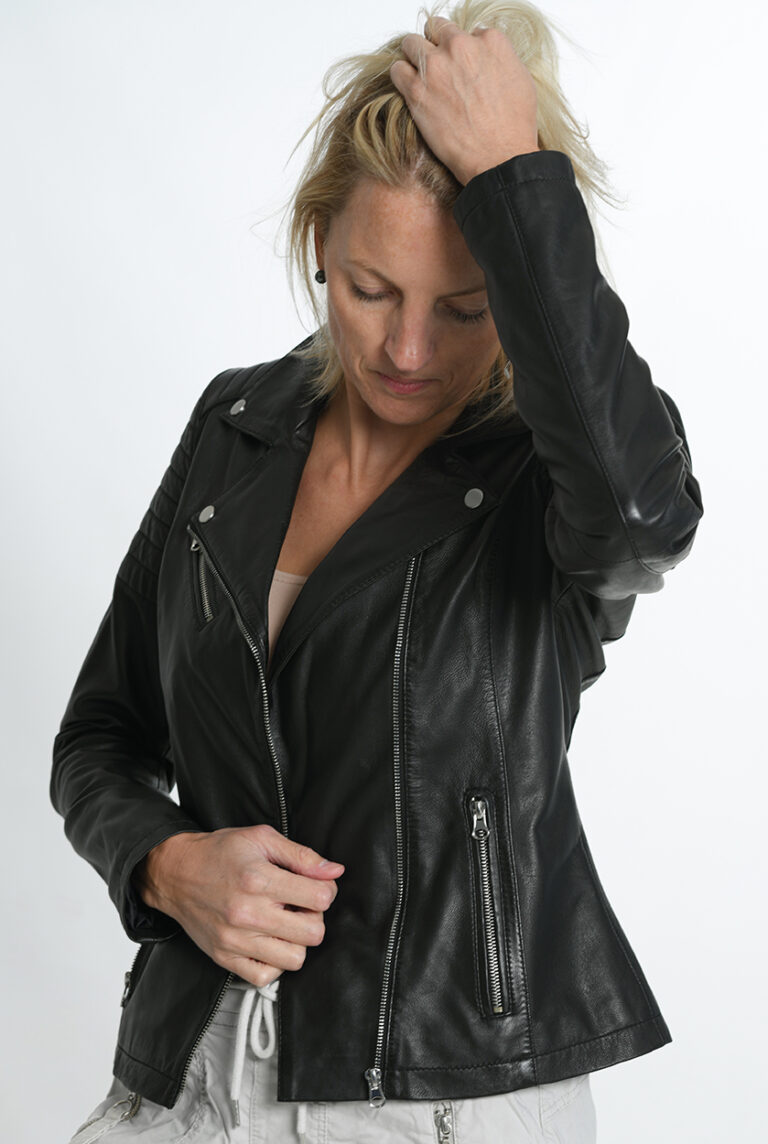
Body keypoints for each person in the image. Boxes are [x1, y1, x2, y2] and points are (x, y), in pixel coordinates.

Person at [52, 1, 703, 1141]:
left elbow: (645, 521)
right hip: (189, 1077)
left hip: (443, 1095)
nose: (409, 351)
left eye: (465, 308)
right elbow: (99, 734)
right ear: (318, 242)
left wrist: (513, 176)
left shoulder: (553, 476)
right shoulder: (236, 426)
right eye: (370, 291)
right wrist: (162, 863)